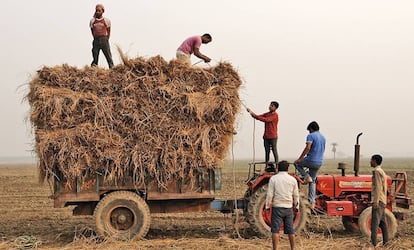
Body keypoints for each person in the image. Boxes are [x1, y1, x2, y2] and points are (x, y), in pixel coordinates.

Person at [266, 160, 299, 250]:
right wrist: (296, 207)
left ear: (278, 168)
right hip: (288, 208)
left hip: (277, 208)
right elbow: (296, 195)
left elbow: (269, 194)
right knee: (291, 231)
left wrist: (267, 206)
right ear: (287, 168)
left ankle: (275, 249)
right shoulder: (293, 180)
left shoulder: (274, 179)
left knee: (275, 230)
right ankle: (293, 248)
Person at [294, 121, 326, 209]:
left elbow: (308, 147)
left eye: (309, 130)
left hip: (311, 160)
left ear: (311, 129)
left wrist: (300, 159)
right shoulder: (323, 137)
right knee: (313, 181)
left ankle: (305, 175)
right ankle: (312, 202)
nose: (309, 132)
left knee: (297, 164)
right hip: (319, 162)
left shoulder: (311, 136)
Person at [370, 154, 389, 248]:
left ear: (375, 161)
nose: (370, 161)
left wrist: (376, 201)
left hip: (379, 200)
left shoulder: (376, 171)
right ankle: (386, 243)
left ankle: (372, 244)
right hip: (383, 199)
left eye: (371, 160)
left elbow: (378, 187)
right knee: (383, 223)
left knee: (374, 223)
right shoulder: (381, 171)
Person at [90, 4, 114, 68]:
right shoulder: (92, 21)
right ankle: (94, 68)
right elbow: (92, 30)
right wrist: (95, 37)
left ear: (102, 11)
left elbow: (108, 31)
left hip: (104, 39)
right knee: (95, 54)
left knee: (108, 55)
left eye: (99, 11)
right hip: (96, 40)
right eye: (96, 10)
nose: (98, 12)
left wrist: (106, 39)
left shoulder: (106, 20)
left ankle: (112, 68)